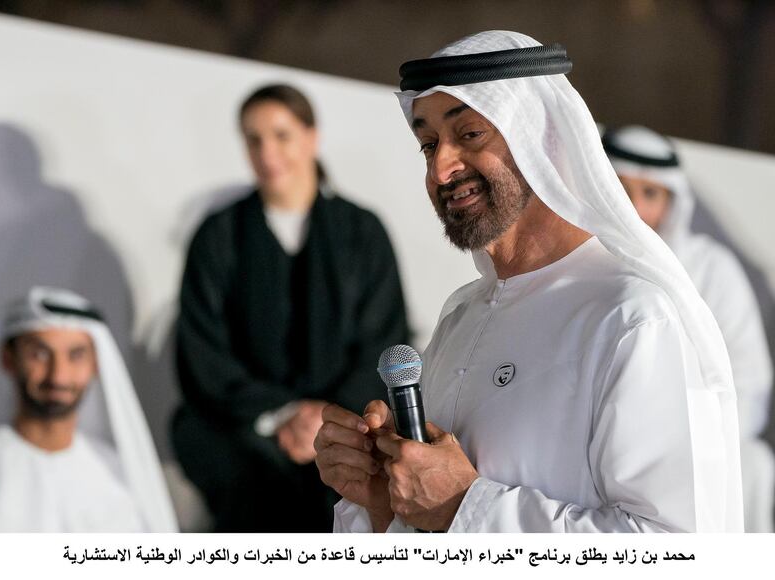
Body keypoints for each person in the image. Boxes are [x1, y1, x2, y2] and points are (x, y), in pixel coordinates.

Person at [314, 31, 743, 533]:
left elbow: (679, 550)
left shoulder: (632, 316)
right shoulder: (462, 315)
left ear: (545, 140)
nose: (441, 167)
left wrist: (465, 508)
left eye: (470, 134)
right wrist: (385, 499)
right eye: (428, 144)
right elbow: (433, 528)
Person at [172, 84, 409, 532]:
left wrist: (324, 416)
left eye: (281, 135)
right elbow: (203, 351)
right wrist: (283, 415)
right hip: (245, 423)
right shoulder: (218, 236)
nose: (267, 152)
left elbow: (384, 336)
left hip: (345, 418)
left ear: (311, 137)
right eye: (253, 138)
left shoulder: (362, 233)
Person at [603, 125, 774, 532]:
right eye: (621, 188)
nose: (634, 207)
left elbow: (749, 379)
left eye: (650, 194)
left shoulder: (711, 268)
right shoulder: (578, 258)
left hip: (695, 434)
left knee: (751, 465)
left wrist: (689, 432)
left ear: (672, 201)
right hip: (600, 429)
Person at [0, 286, 178, 532]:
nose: (58, 375)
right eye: (39, 354)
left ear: (95, 363)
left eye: (76, 355)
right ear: (8, 358)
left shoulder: (120, 474)